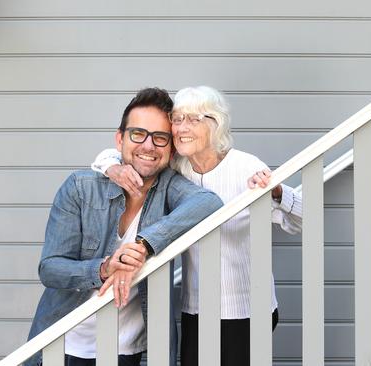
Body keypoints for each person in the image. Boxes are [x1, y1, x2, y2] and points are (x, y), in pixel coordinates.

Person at [91, 86, 302, 366]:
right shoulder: (177, 168)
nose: (181, 128)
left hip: (246, 309)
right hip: (197, 309)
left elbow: (299, 219)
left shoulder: (245, 166)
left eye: (193, 119)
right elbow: (116, 152)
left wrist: (276, 192)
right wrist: (112, 168)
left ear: (215, 124)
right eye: (177, 120)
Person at [25, 87, 223, 366]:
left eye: (160, 138)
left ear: (171, 147)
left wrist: (142, 246)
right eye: (138, 134)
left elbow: (209, 203)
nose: (148, 146)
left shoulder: (169, 188)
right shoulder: (80, 188)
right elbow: (50, 269)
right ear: (120, 139)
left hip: (123, 351)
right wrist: (104, 268)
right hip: (63, 342)